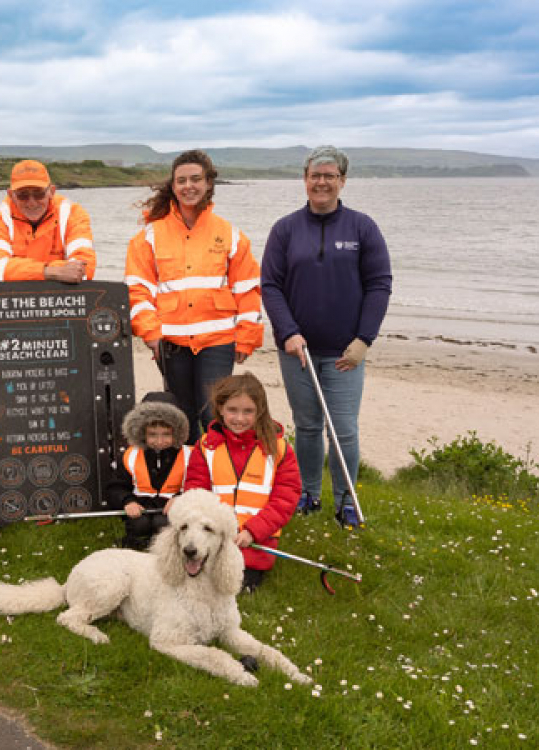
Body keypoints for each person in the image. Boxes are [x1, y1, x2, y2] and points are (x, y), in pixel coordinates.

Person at [260, 146, 392, 528]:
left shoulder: (362, 227)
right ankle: (307, 493)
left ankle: (346, 499)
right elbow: (270, 285)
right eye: (315, 175)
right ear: (305, 180)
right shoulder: (285, 229)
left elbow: (379, 285)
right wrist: (287, 332)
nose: (322, 182)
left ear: (342, 181)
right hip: (296, 351)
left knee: (344, 429)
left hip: (344, 353)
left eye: (330, 175)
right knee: (308, 426)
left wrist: (364, 339)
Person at [125, 149, 263, 445]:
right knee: (182, 416)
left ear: (209, 183)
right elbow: (138, 289)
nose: (189, 186)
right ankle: (189, 482)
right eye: (182, 180)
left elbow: (248, 287)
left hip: (218, 341)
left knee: (214, 415)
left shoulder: (229, 234)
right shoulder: (149, 235)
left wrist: (247, 335)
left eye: (196, 179)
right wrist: (150, 333)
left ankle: (222, 480)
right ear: (173, 186)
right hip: (170, 343)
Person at [182, 372, 301, 592]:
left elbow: (285, 499)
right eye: (232, 410)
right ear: (220, 409)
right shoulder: (206, 445)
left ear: (260, 411)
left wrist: (253, 531)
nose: (239, 418)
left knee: (237, 584)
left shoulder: (280, 449)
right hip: (212, 536)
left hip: (255, 541)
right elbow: (195, 490)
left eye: (248, 411)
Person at [0, 159, 95, 283]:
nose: (32, 203)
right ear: (11, 195)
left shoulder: (73, 213)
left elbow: (84, 268)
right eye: (23, 195)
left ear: (51, 192)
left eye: (39, 194)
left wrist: (19, 270)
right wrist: (48, 272)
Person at [105, 392, 192, 550]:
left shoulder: (190, 456)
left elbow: (197, 485)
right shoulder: (130, 456)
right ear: (141, 432)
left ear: (178, 432)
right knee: (140, 524)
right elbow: (115, 487)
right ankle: (135, 546)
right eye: (152, 435)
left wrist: (181, 499)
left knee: (162, 524)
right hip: (140, 509)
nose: (159, 441)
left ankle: (167, 550)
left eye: (166, 435)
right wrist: (127, 501)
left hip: (172, 510)